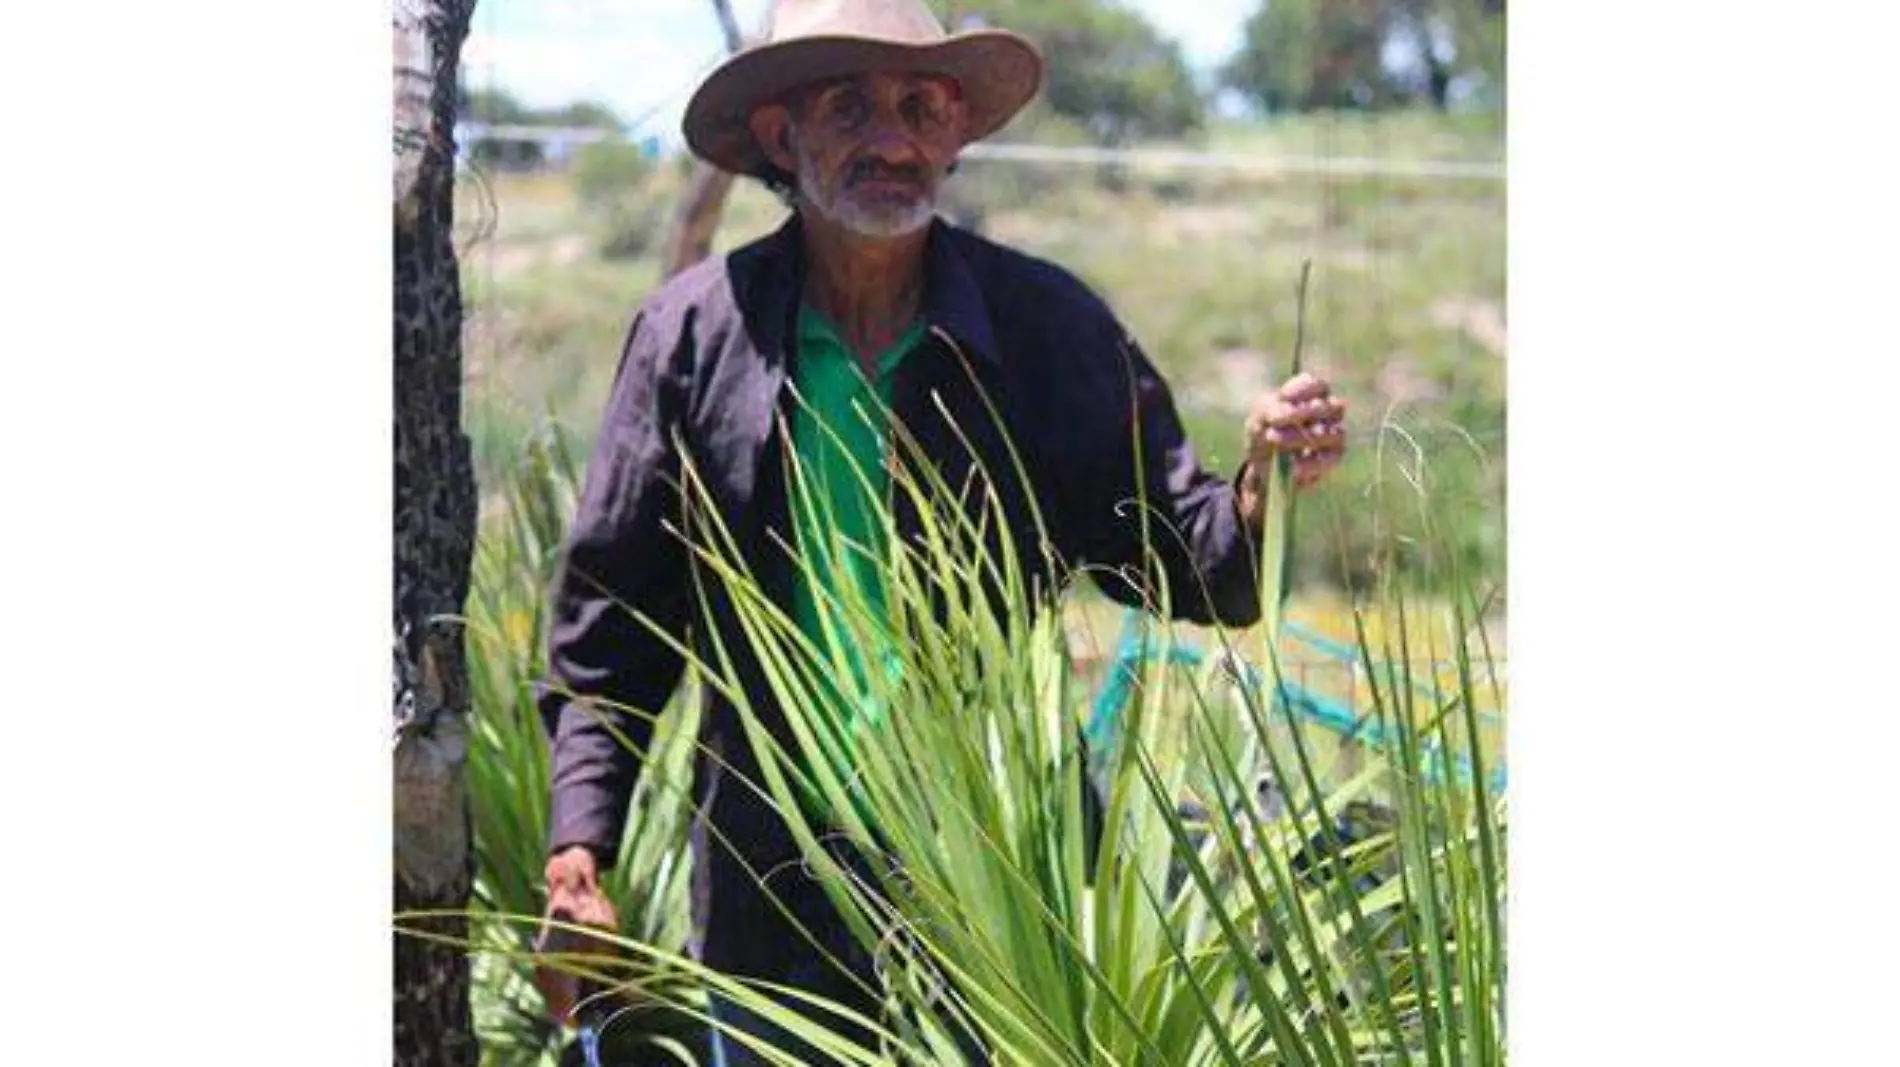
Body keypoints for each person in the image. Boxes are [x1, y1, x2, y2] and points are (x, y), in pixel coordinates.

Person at [532, 0, 1349, 1062]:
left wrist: (1262, 489)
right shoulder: (693, 335)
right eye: (849, 106)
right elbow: (615, 615)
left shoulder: (1045, 326)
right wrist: (577, 849)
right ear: (782, 137)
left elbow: (1186, 555)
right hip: (770, 887)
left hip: (999, 884)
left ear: (957, 130)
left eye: (921, 105)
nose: (893, 138)